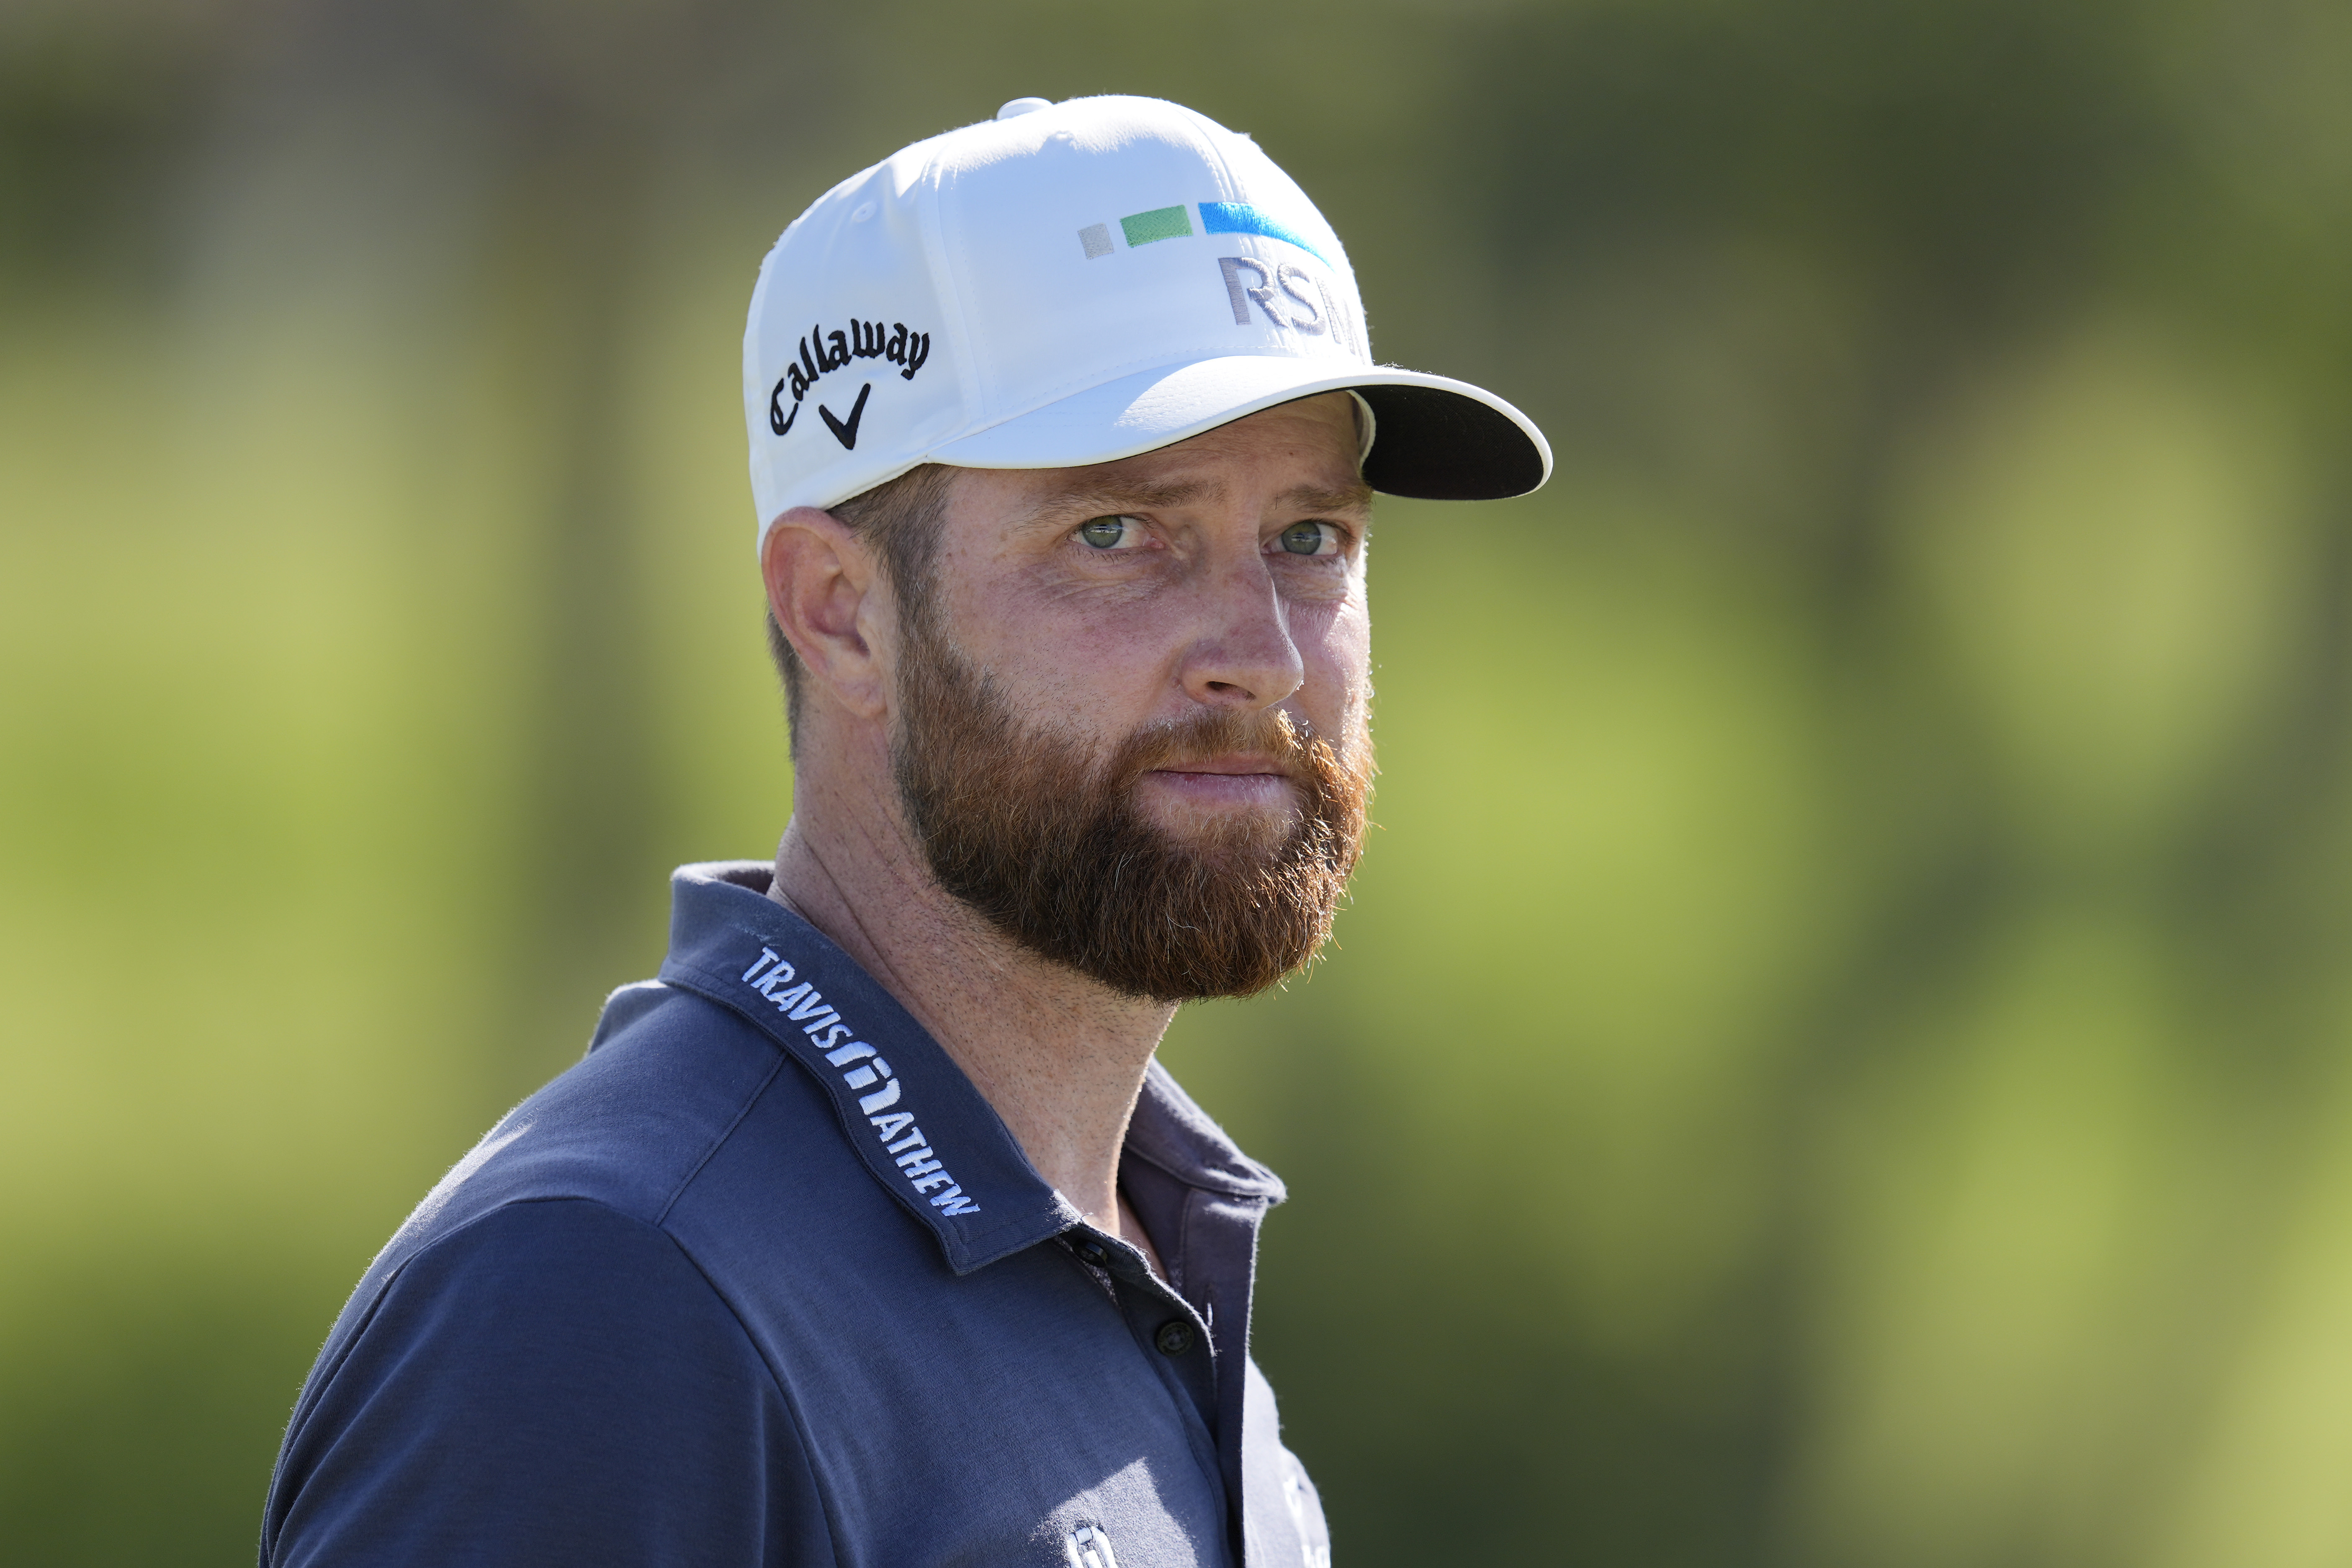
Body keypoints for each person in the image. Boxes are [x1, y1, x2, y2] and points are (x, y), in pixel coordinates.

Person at [257, 93, 1547, 1568]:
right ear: (839, 612)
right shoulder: (613, 1296)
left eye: (1308, 537)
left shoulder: (1162, 1281)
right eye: (1117, 533)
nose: (1256, 649)